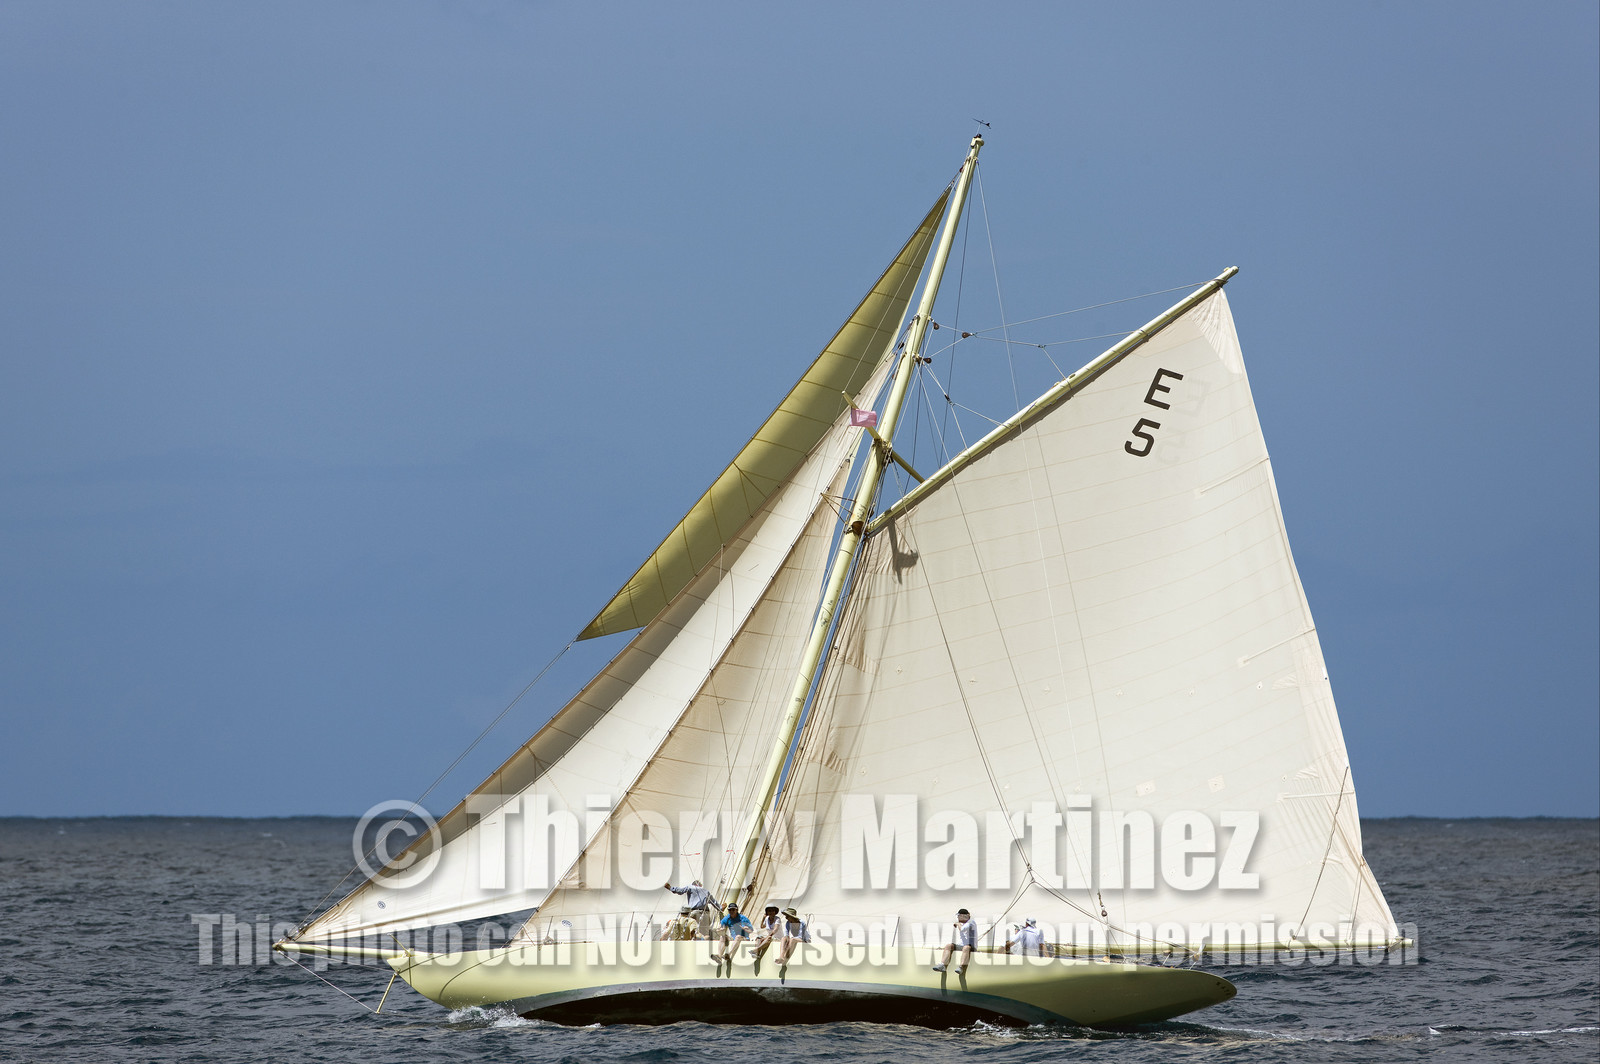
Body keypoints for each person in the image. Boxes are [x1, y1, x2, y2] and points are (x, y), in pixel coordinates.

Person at [932, 908, 977, 974]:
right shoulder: (963, 923)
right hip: (962, 946)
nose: (957, 918)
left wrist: (958, 924)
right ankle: (943, 965)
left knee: (966, 947)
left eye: (958, 916)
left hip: (971, 947)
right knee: (949, 946)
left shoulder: (971, 922)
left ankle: (961, 967)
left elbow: (962, 929)